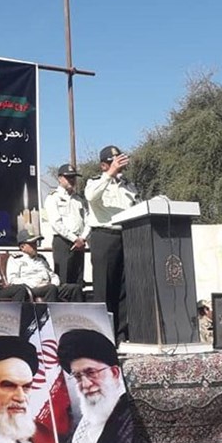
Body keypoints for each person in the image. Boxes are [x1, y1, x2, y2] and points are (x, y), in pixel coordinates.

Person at [56, 328, 153, 443]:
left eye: (91, 373)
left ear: (114, 373)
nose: (85, 384)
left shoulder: (133, 417)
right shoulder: (84, 420)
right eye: (78, 376)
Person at [84, 146, 140, 343]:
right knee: (104, 288)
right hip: (104, 236)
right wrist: (110, 174)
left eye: (120, 159)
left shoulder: (129, 186)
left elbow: (137, 207)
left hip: (127, 236)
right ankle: (103, 335)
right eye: (113, 160)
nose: (118, 163)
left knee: (125, 288)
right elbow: (91, 197)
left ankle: (121, 334)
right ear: (103, 165)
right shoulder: (95, 183)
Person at [5, 229, 83, 302]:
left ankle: (79, 311)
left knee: (75, 288)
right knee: (51, 289)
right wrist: (35, 284)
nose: (35, 246)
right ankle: (51, 312)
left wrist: (54, 283)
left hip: (49, 286)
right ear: (22, 247)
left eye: (35, 243)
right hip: (33, 288)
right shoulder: (15, 259)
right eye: (32, 244)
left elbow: (52, 274)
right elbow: (13, 280)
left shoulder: (41, 258)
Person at [44, 163, 88, 288]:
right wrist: (74, 239)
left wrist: (82, 238)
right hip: (63, 242)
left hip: (79, 242)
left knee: (78, 279)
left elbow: (87, 219)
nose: (71, 180)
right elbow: (56, 223)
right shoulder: (53, 198)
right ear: (60, 178)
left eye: (73, 177)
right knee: (64, 280)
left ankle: (78, 300)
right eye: (68, 177)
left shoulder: (79, 199)